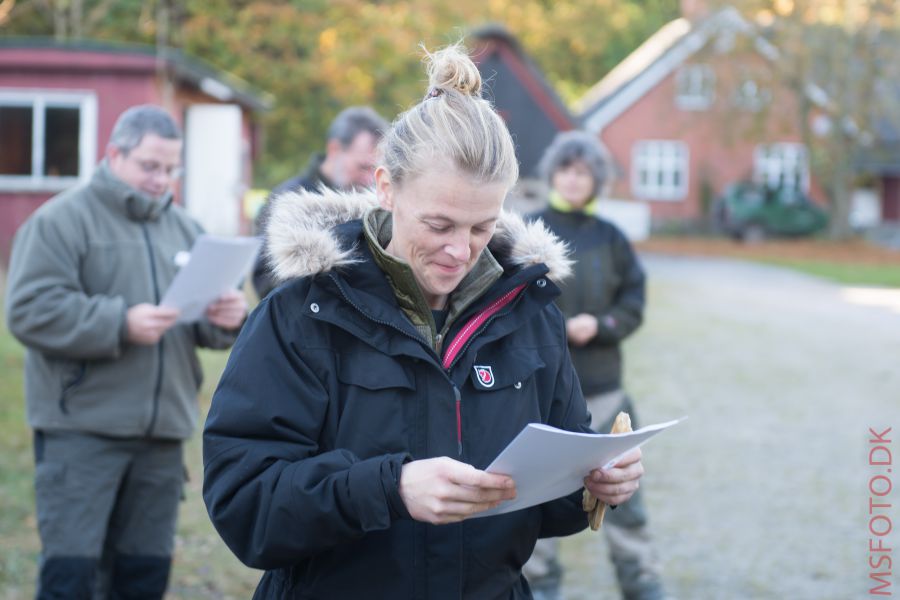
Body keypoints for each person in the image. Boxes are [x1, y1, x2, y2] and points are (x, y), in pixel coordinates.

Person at [202, 44, 644, 599]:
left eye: (482, 227)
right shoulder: (303, 313)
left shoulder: (530, 313)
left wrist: (594, 482)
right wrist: (389, 489)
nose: (460, 251)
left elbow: (546, 501)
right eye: (438, 224)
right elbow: (245, 505)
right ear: (386, 188)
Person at [5, 104, 249, 599]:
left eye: (170, 168)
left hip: (161, 438)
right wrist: (119, 323)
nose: (162, 179)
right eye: (149, 166)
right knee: (71, 577)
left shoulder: (187, 229)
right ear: (114, 154)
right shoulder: (59, 222)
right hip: (82, 434)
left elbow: (202, 327)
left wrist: (226, 319)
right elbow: (28, 310)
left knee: (144, 577)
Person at [523, 130, 666, 600]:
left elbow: (634, 303)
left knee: (626, 493)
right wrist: (553, 327)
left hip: (604, 390)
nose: (572, 179)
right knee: (538, 493)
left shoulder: (613, 239)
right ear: (552, 175)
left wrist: (601, 325)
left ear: (596, 179)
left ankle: (640, 579)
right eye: (565, 169)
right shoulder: (527, 232)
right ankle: (539, 584)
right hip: (540, 393)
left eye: (582, 171)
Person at [252, 106, 389, 299]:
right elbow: (266, 283)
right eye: (362, 167)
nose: (369, 180)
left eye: (374, 170)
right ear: (334, 149)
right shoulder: (288, 201)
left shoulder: (375, 204)